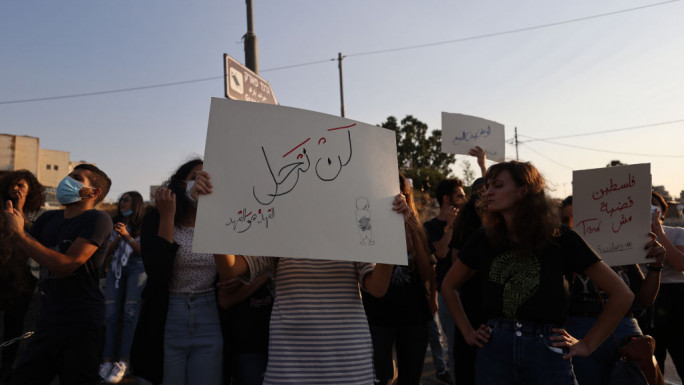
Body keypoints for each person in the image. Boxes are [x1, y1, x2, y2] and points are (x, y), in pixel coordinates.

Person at [441, 160, 634, 385]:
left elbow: (623, 294)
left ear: (523, 191)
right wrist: (467, 332)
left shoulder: (561, 238)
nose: (488, 192)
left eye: (498, 186)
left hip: (547, 348)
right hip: (495, 348)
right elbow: (448, 285)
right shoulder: (484, 238)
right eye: (488, 186)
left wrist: (587, 344)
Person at [214, 191, 413, 384]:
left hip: (348, 366)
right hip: (290, 367)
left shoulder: (352, 227)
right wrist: (210, 215)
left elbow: (377, 288)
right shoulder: (280, 229)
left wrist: (391, 232)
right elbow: (230, 269)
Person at [5, 164, 113, 385]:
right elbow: (22, 253)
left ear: (94, 192)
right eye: (68, 176)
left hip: (81, 324)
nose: (67, 181)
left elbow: (67, 265)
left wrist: (20, 235)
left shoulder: (98, 220)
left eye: (77, 178)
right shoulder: (48, 219)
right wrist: (13, 223)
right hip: (48, 320)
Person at [130, 159, 226, 385]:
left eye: (207, 178)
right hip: (168, 313)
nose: (201, 184)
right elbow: (157, 271)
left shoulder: (220, 222)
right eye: (195, 177)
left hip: (209, 313)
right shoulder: (157, 217)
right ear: (180, 184)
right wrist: (167, 217)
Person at [562, 192, 666, 385]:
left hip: (623, 327)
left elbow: (645, 299)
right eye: (572, 219)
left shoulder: (618, 248)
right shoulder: (561, 250)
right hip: (578, 327)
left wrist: (655, 266)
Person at [363, 173, 433, 385]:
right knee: (380, 376)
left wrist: (413, 234)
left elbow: (427, 274)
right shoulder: (370, 224)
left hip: (414, 316)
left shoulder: (416, 226)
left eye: (401, 190)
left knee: (411, 377)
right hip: (378, 315)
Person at [99, 191, 147, 384]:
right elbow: (105, 253)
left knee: (130, 313)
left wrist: (127, 236)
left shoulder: (144, 224)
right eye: (121, 200)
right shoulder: (114, 223)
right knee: (110, 314)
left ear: (136, 203)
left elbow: (143, 252)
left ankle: (124, 361)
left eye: (126, 200)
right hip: (115, 269)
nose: (122, 203)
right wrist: (118, 237)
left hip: (137, 268)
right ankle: (107, 360)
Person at [0, 171, 44, 381]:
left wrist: (19, 211)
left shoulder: (37, 218)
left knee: (14, 326)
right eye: (13, 185)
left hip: (21, 282)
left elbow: (34, 243)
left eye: (21, 186)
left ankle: (6, 367)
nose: (15, 189)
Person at [422, 177, 466, 385]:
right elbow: (440, 253)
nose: (464, 198)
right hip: (447, 295)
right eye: (460, 195)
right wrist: (449, 227)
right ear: (447, 199)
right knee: (456, 344)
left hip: (468, 292)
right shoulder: (430, 226)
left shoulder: (468, 224)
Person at [644, 191, 684, 378]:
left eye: (654, 203)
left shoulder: (677, 233)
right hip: (649, 297)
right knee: (653, 361)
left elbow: (679, 264)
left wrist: (659, 232)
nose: (650, 206)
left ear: (663, 211)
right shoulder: (631, 238)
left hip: (676, 297)